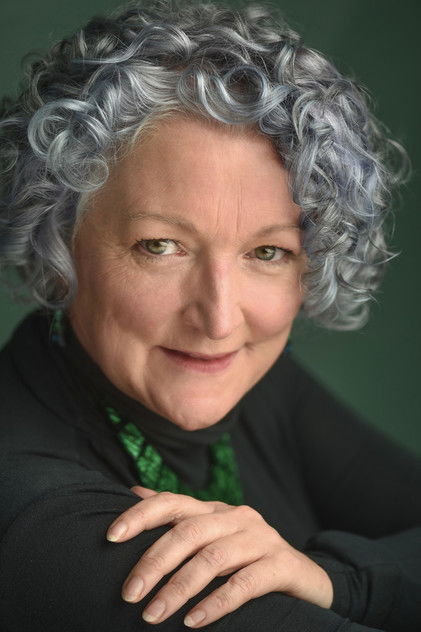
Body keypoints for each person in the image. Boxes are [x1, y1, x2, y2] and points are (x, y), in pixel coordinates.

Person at [0, 0, 420, 630]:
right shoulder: (36, 516)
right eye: (160, 246)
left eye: (268, 252)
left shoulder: (244, 384)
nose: (219, 321)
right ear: (58, 240)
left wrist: (339, 581)